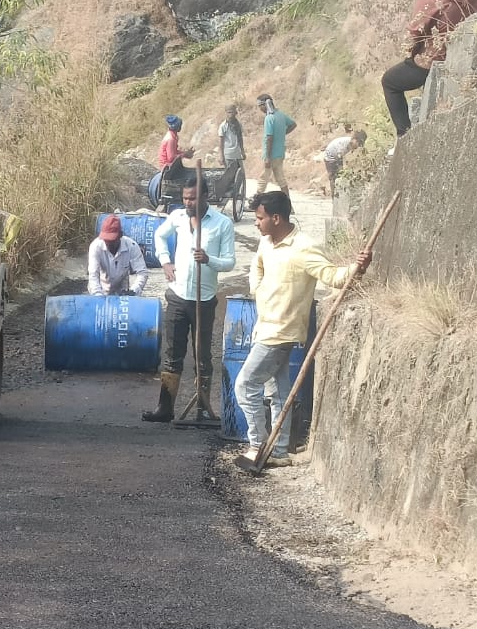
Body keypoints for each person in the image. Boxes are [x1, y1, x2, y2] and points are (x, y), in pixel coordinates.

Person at [232, 191, 371, 471]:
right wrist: (257, 289)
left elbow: (331, 276)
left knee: (245, 385)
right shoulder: (266, 242)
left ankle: (258, 446)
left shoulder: (304, 248)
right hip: (264, 327)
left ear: (276, 218)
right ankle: (279, 451)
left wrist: (357, 267)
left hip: (281, 332)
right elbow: (256, 268)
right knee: (277, 392)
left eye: (259, 218)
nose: (256, 223)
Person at [143, 180, 236, 423]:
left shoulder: (222, 223)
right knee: (172, 354)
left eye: (193, 198)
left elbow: (230, 262)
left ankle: (202, 409)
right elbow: (159, 235)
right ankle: (165, 408)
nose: (188, 203)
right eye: (185, 198)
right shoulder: (177, 217)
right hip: (177, 296)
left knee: (202, 356)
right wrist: (165, 261)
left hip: (203, 300)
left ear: (206, 196)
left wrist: (209, 260)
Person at [380, 0, 477, 138]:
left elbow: (413, 35)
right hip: (471, 52)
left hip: (437, 59)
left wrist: (412, 54)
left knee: (389, 81)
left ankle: (404, 136)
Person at [88, 215, 150, 296]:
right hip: (100, 289)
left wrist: (134, 290)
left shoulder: (132, 246)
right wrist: (97, 294)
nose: (108, 243)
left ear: (120, 236)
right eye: (106, 240)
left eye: (112, 240)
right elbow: (93, 274)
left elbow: (142, 272)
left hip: (123, 291)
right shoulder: (95, 247)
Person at [255, 95, 297, 194]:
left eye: (260, 106)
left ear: (265, 105)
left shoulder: (269, 118)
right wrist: (282, 133)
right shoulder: (281, 115)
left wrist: (267, 157)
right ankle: (287, 201)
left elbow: (269, 138)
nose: (260, 108)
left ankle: (256, 200)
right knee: (281, 179)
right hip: (280, 153)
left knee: (263, 179)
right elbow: (293, 124)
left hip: (271, 155)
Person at [321, 127, 368, 199]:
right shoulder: (344, 145)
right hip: (330, 157)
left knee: (341, 175)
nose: (358, 146)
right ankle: (335, 197)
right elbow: (341, 158)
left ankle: (339, 196)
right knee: (333, 177)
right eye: (359, 143)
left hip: (337, 156)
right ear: (354, 139)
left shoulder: (351, 144)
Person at [216, 103, 245, 202]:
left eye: (232, 112)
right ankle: (228, 194)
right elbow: (220, 143)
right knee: (229, 176)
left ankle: (236, 193)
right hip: (228, 155)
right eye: (229, 112)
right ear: (226, 113)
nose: (231, 114)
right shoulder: (223, 126)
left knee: (241, 175)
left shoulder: (238, 125)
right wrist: (221, 156)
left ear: (235, 112)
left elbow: (240, 139)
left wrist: (243, 151)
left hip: (237, 154)